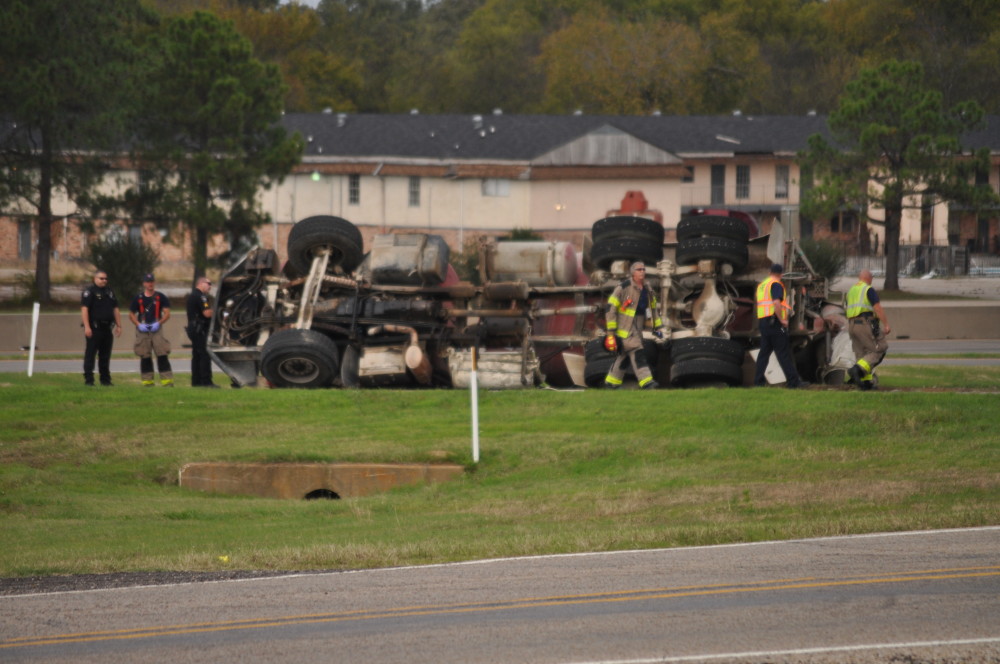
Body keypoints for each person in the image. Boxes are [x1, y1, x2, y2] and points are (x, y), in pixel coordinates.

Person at [603, 261, 664, 390]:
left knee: (624, 356)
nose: (642, 271)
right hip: (625, 326)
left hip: (638, 325)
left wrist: (657, 328)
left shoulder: (647, 288)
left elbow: (653, 310)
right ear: (632, 273)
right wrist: (610, 332)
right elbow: (611, 308)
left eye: (643, 269)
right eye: (639, 269)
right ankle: (647, 382)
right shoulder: (623, 287)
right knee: (638, 352)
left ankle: (611, 382)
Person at [754, 263, 809, 389]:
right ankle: (793, 382)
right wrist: (783, 320)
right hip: (774, 322)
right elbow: (776, 303)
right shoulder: (776, 284)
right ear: (781, 274)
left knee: (764, 353)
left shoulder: (762, 285)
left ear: (770, 272)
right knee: (783, 352)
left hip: (763, 322)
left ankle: (758, 382)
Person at [844, 269, 891, 390]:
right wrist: (886, 324)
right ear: (869, 278)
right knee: (879, 348)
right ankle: (856, 370)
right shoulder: (868, 289)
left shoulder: (851, 291)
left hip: (852, 325)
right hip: (865, 323)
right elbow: (878, 308)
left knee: (862, 354)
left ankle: (865, 384)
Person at [129, 273, 174, 387]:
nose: (150, 284)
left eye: (152, 281)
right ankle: (147, 382)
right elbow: (131, 314)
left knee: (162, 353)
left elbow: (167, 313)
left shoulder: (161, 297)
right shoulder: (138, 298)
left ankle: (167, 381)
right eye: (148, 282)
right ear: (144, 283)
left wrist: (159, 323)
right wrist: (138, 324)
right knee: (145, 355)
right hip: (143, 330)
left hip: (156, 329)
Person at [80, 270, 122, 386]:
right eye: (101, 278)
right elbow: (84, 310)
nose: (104, 280)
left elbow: (115, 308)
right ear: (95, 279)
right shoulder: (89, 292)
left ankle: (105, 380)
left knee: (105, 355)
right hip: (94, 328)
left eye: (105, 279)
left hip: (107, 328)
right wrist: (87, 327)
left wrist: (119, 325)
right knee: (90, 355)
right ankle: (89, 380)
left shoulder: (109, 292)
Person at [186, 276, 218, 388]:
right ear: (201, 283)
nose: (210, 286)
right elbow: (207, 313)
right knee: (204, 355)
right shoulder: (201, 297)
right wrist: (217, 311)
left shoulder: (192, 295)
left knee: (196, 356)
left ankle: (196, 381)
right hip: (200, 330)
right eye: (208, 283)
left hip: (193, 328)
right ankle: (206, 382)